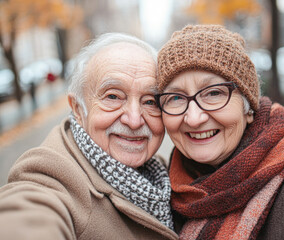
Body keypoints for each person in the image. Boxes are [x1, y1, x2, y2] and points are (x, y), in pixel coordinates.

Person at [0, 33, 178, 240]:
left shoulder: (165, 173)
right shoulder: (50, 176)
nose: (134, 120)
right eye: (113, 96)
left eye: (149, 101)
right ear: (77, 108)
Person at [155, 24, 284, 240]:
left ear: (248, 107)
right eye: (175, 98)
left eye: (214, 93)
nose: (194, 118)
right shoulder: (162, 190)